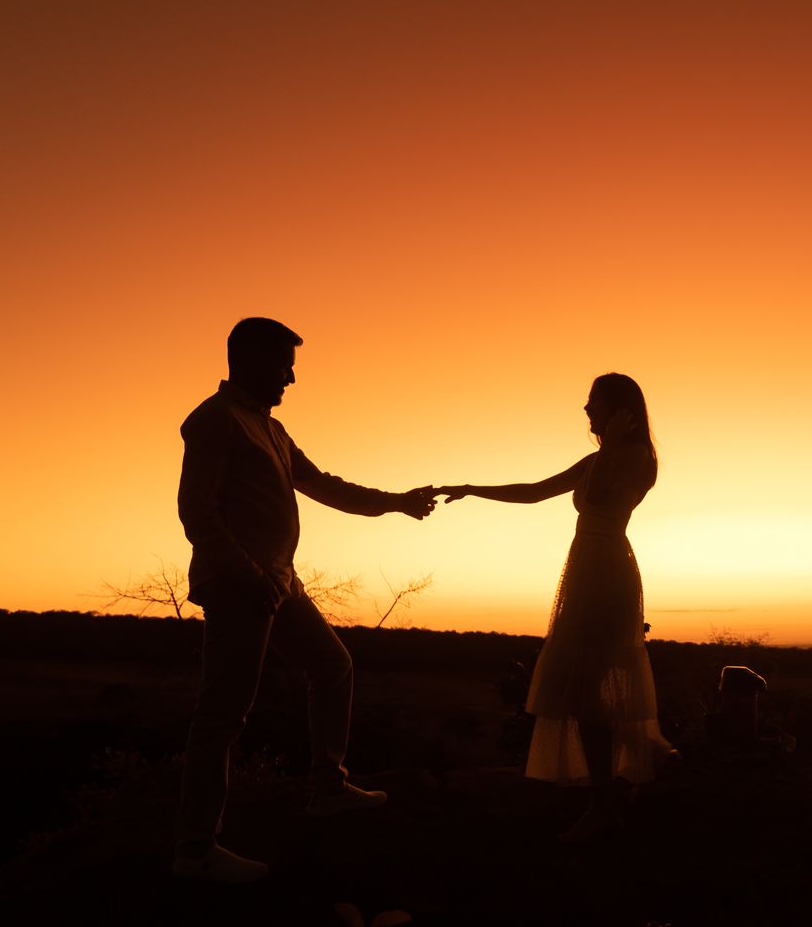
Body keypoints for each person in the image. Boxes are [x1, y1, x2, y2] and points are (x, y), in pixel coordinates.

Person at [172, 317, 437, 883]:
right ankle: (196, 849)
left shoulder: (272, 429)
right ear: (245, 361)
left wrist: (398, 502)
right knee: (223, 713)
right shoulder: (213, 421)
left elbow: (327, 487)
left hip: (278, 581)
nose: (291, 378)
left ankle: (327, 788)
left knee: (332, 665)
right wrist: (247, 574)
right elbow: (197, 512)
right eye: (283, 364)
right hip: (239, 584)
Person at [435, 373, 669, 841]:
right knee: (581, 686)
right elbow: (537, 490)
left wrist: (613, 444)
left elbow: (605, 495)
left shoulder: (635, 458)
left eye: (594, 402)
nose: (586, 410)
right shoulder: (599, 458)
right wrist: (473, 489)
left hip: (607, 573)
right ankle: (610, 795)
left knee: (593, 682)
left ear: (621, 410)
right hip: (586, 570)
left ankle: (614, 796)